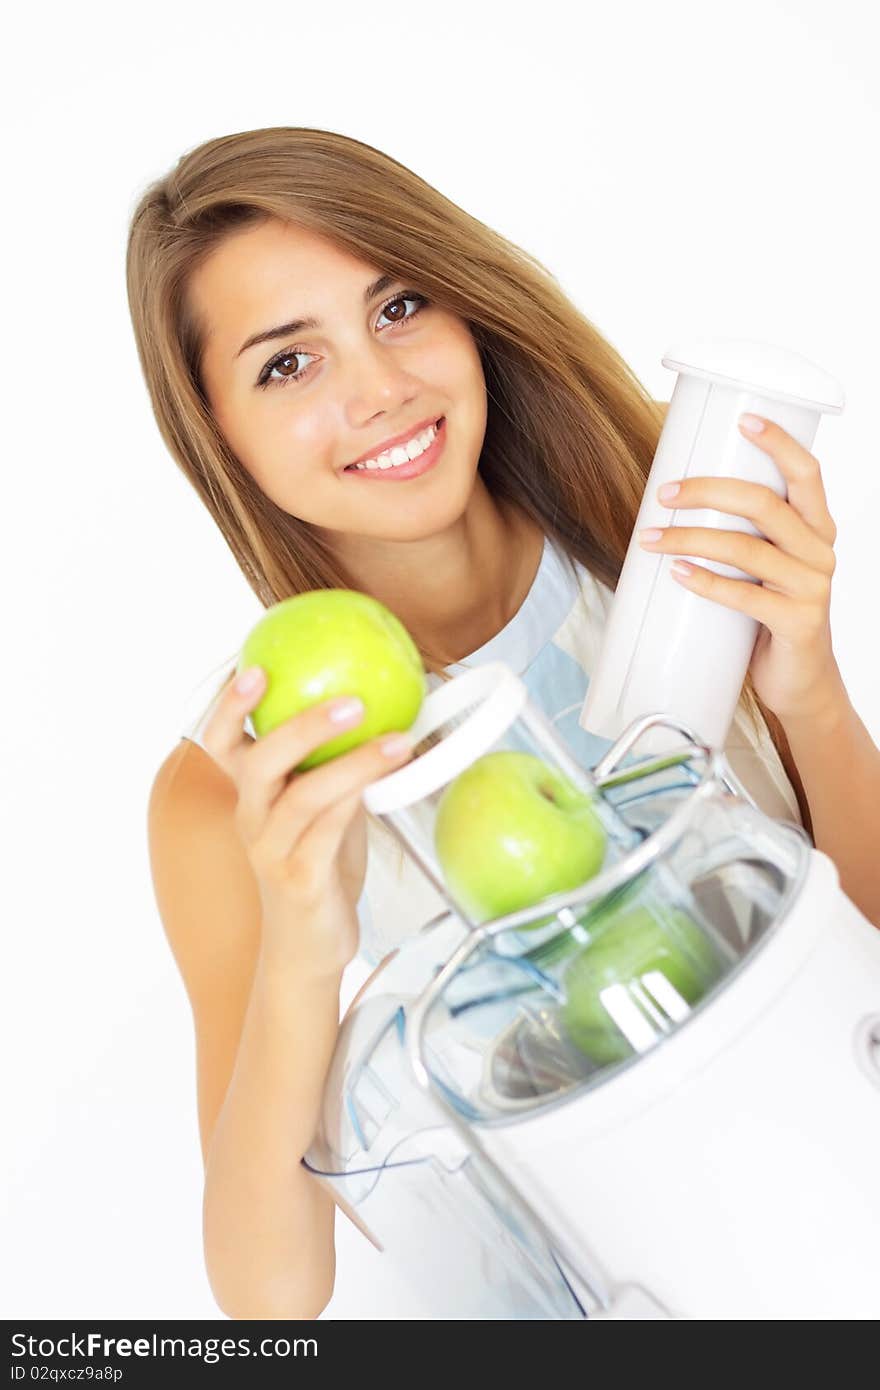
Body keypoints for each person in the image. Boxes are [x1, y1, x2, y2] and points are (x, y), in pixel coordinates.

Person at [130, 126, 870, 1320]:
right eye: (286, 365)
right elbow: (269, 1294)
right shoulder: (240, 778)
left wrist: (811, 694)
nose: (377, 391)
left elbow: (865, 952)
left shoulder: (646, 513)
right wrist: (305, 942)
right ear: (220, 439)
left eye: (399, 304)